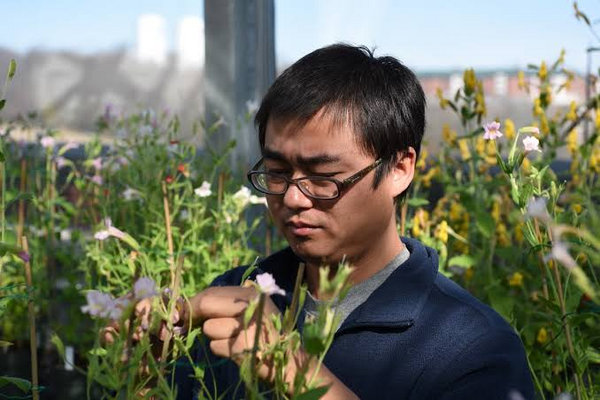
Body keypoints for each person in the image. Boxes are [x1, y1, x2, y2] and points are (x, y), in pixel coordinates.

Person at [174, 44, 534, 400]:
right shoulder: (240, 294)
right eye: (277, 171)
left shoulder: (473, 348)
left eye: (323, 177)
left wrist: (292, 367)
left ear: (398, 169)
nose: (293, 198)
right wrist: (148, 367)